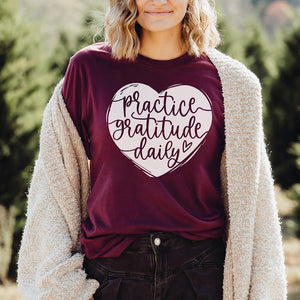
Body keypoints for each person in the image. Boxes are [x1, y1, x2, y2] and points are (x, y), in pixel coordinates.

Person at [17, 0, 287, 299]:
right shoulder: (88, 70)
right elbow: (54, 186)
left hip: (200, 276)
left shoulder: (235, 85)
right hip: (111, 274)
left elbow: (256, 203)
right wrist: (65, 286)